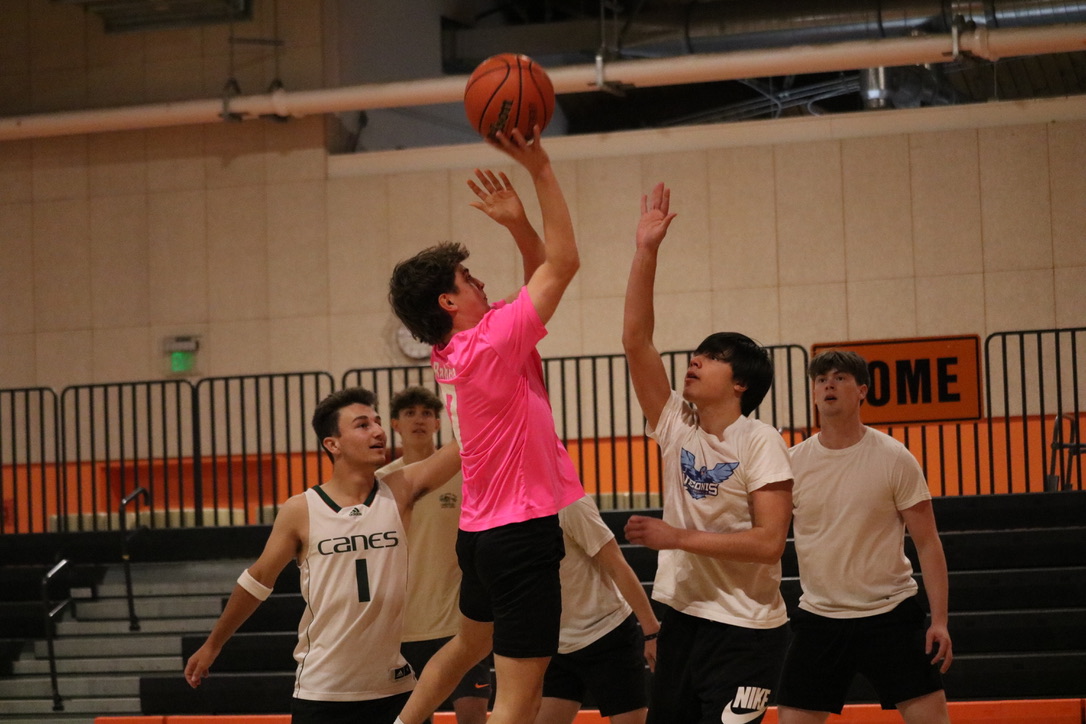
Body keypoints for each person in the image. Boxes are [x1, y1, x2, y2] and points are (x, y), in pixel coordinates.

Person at [387, 127, 584, 724]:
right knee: (520, 692)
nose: (479, 282)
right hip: (521, 534)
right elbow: (565, 263)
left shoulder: (458, 349)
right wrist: (541, 167)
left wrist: (518, 224)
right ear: (448, 302)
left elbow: (538, 272)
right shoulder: (494, 342)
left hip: (478, 535)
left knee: (469, 644)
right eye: (467, 280)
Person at [620, 182, 794, 724]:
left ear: (741, 383)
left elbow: (769, 545)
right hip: (681, 618)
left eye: (712, 357)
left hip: (746, 630)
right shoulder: (676, 425)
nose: (694, 360)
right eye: (697, 352)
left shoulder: (759, 439)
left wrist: (675, 538)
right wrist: (646, 250)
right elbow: (636, 341)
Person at [183, 387, 461, 724]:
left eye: (376, 422)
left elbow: (466, 445)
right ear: (333, 444)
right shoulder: (302, 509)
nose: (377, 431)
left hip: (393, 689)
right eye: (362, 425)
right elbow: (257, 581)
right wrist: (213, 644)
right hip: (323, 691)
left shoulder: (400, 488)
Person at [776, 349, 953, 724]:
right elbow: (767, 539)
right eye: (821, 379)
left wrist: (939, 621)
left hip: (889, 614)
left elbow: (927, 542)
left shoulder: (894, 457)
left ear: (862, 391)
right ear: (813, 393)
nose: (828, 385)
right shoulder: (790, 463)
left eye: (840, 378)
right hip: (820, 616)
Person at [376, 386, 490, 724]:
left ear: (439, 424)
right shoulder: (381, 483)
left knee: (473, 718)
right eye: (409, 413)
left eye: (426, 413)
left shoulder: (463, 472)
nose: (419, 420)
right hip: (401, 629)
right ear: (395, 424)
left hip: (459, 624)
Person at [534, 493, 660, 724]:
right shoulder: (507, 510)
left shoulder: (570, 503)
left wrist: (651, 631)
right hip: (558, 643)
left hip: (607, 636)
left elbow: (617, 566)